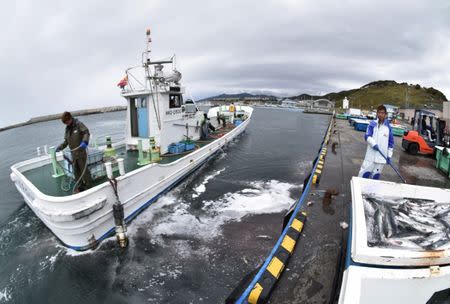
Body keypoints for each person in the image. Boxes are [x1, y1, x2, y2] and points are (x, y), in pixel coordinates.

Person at [56, 111, 93, 192]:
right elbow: (66, 142)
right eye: (65, 123)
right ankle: (80, 187)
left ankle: (90, 187)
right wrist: (60, 147)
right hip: (73, 154)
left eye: (67, 122)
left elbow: (86, 132)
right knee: (76, 172)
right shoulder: (67, 129)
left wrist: (85, 141)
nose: (66, 124)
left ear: (70, 118)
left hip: (81, 152)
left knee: (84, 171)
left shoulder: (79, 124)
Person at [358, 105, 394, 180]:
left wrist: (389, 156)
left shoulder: (389, 128)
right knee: (363, 174)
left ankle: (371, 191)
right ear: (377, 113)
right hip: (370, 156)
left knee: (375, 177)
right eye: (379, 112)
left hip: (381, 158)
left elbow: (391, 144)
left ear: (386, 114)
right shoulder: (372, 124)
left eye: (383, 113)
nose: (381, 114)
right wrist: (373, 144)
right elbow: (367, 136)